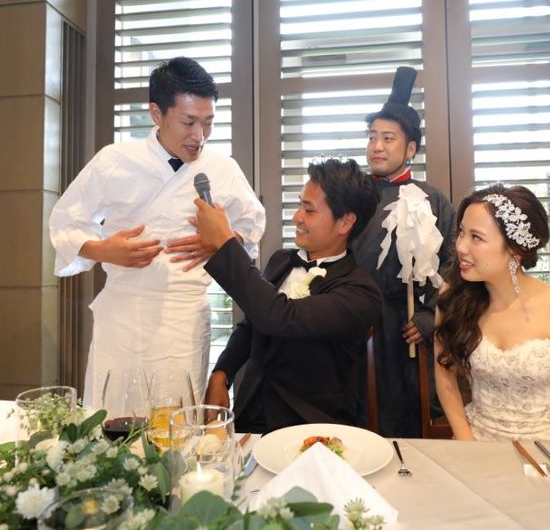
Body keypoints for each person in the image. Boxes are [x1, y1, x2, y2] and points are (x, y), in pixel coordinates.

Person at [49, 57, 266, 406]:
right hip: (121, 313)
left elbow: (251, 225)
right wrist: (105, 251)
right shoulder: (114, 160)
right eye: (188, 122)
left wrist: (221, 242)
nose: (199, 136)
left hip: (183, 317)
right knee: (112, 414)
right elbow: (65, 223)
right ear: (156, 113)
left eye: (208, 123)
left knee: (176, 419)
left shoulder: (222, 168)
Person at [197, 158, 382, 433]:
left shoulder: (361, 293)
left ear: (345, 222)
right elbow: (252, 325)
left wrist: (225, 242)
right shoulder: (281, 260)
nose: (297, 217)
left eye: (309, 210)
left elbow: (279, 317)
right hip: (251, 416)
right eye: (299, 205)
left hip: (312, 428)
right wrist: (221, 374)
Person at [351, 67, 456, 437]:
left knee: (406, 422)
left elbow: (453, 266)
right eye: (372, 137)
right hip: (352, 323)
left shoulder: (433, 200)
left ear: (410, 148)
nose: (376, 146)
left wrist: (430, 316)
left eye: (388, 138)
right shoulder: (350, 194)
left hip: (406, 327)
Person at [435, 183, 550, 440]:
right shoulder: (452, 297)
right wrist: (468, 444)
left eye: (476, 237)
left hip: (548, 448)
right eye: (461, 233)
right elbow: (445, 379)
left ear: (515, 250)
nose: (461, 247)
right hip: (474, 441)